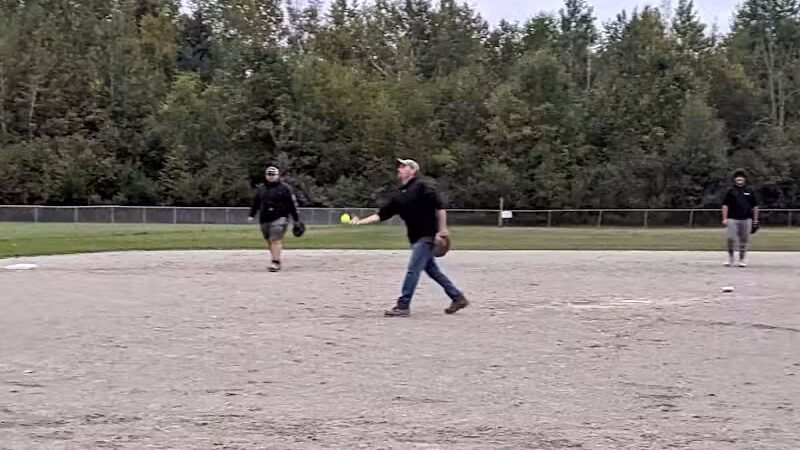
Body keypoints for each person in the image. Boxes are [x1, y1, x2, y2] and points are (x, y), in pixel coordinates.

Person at [350, 159, 468, 317]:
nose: (399, 168)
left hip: (427, 236)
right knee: (432, 271)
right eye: (399, 166)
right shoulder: (400, 195)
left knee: (413, 270)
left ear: (413, 170)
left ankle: (403, 305)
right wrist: (360, 222)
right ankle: (457, 297)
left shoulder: (422, 186)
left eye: (403, 166)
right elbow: (382, 215)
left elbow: (440, 207)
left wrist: (443, 230)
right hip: (415, 238)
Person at [248, 166, 301, 272]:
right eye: (269, 174)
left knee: (275, 239)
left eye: (273, 175)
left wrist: (296, 219)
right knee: (269, 240)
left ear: (278, 175)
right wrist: (252, 214)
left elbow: (292, 204)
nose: (271, 177)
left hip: (280, 217)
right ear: (266, 175)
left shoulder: (285, 188)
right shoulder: (262, 189)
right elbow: (256, 203)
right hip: (264, 218)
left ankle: (275, 262)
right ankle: (275, 260)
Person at [722, 169, 759, 267]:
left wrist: (755, 220)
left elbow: (755, 206)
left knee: (744, 239)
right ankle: (730, 258)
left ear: (744, 179)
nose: (739, 179)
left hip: (746, 219)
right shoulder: (730, 190)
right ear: (735, 179)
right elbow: (725, 205)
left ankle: (742, 259)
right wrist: (724, 218)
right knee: (730, 238)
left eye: (741, 178)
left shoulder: (749, 191)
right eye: (737, 178)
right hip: (732, 218)